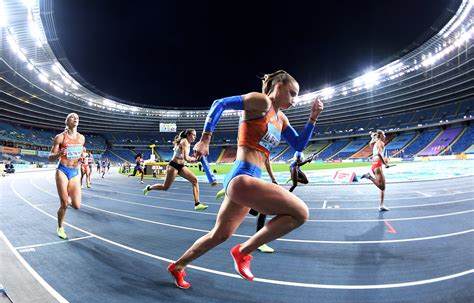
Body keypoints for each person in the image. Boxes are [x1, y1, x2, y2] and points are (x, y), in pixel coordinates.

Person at [167, 70, 323, 289]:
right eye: (291, 93)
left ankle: (178, 266)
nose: (294, 100)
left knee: (219, 235)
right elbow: (219, 103)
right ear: (278, 86)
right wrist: (205, 139)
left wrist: (313, 118)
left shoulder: (281, 119)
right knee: (300, 213)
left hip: (248, 182)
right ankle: (243, 251)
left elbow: (298, 145)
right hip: (242, 177)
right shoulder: (261, 102)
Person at [143, 129, 208, 211]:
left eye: (195, 135)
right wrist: (195, 159)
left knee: (194, 180)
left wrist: (193, 159)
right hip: (173, 166)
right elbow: (186, 158)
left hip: (181, 166)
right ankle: (149, 188)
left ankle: (197, 204)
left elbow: (185, 159)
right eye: (193, 135)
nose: (195, 137)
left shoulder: (188, 143)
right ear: (188, 135)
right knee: (165, 187)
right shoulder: (184, 141)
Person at [48, 113, 85, 239]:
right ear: (67, 121)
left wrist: (81, 157)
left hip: (75, 171)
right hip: (62, 170)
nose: (75, 118)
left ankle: (68, 198)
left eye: (77, 118)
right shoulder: (60, 137)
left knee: (76, 205)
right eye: (72, 117)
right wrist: (59, 153)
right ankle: (60, 227)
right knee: (64, 204)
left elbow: (80, 154)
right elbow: (50, 157)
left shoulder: (81, 138)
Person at [360, 130, 390, 211]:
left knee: (382, 188)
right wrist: (385, 163)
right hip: (377, 166)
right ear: (380, 135)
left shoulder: (376, 143)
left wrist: (384, 161)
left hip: (375, 165)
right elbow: (379, 154)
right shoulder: (380, 143)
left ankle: (382, 205)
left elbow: (377, 154)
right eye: (384, 134)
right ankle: (368, 176)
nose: (385, 136)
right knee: (382, 186)